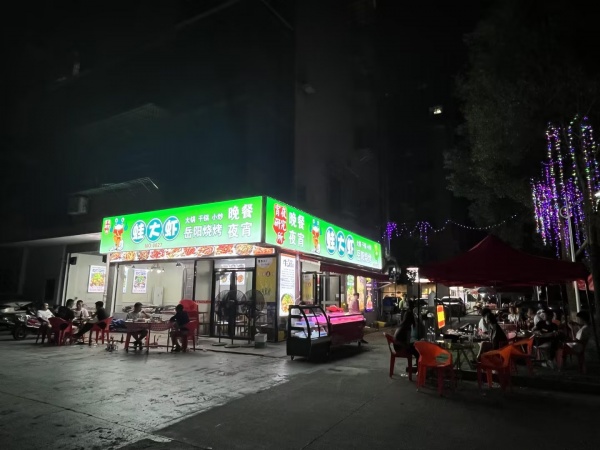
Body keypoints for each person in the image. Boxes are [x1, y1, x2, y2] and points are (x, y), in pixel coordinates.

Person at [393, 300, 420, 372]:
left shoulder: (401, 326)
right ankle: (419, 368)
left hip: (397, 347)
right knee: (418, 351)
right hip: (401, 348)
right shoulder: (407, 328)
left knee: (415, 346)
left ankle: (418, 368)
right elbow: (407, 343)